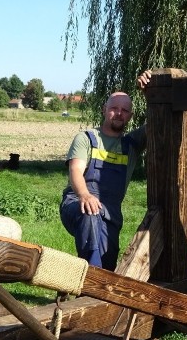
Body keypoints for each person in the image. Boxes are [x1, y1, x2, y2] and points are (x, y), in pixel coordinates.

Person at [60, 71, 151, 270]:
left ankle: (90, 289)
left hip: (111, 213)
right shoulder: (86, 138)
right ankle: (93, 276)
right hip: (77, 204)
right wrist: (84, 195)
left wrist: (149, 93)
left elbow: (159, 122)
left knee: (108, 264)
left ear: (130, 115)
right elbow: (75, 170)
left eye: (125, 110)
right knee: (91, 217)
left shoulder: (132, 144)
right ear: (104, 110)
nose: (119, 113)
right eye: (114, 108)